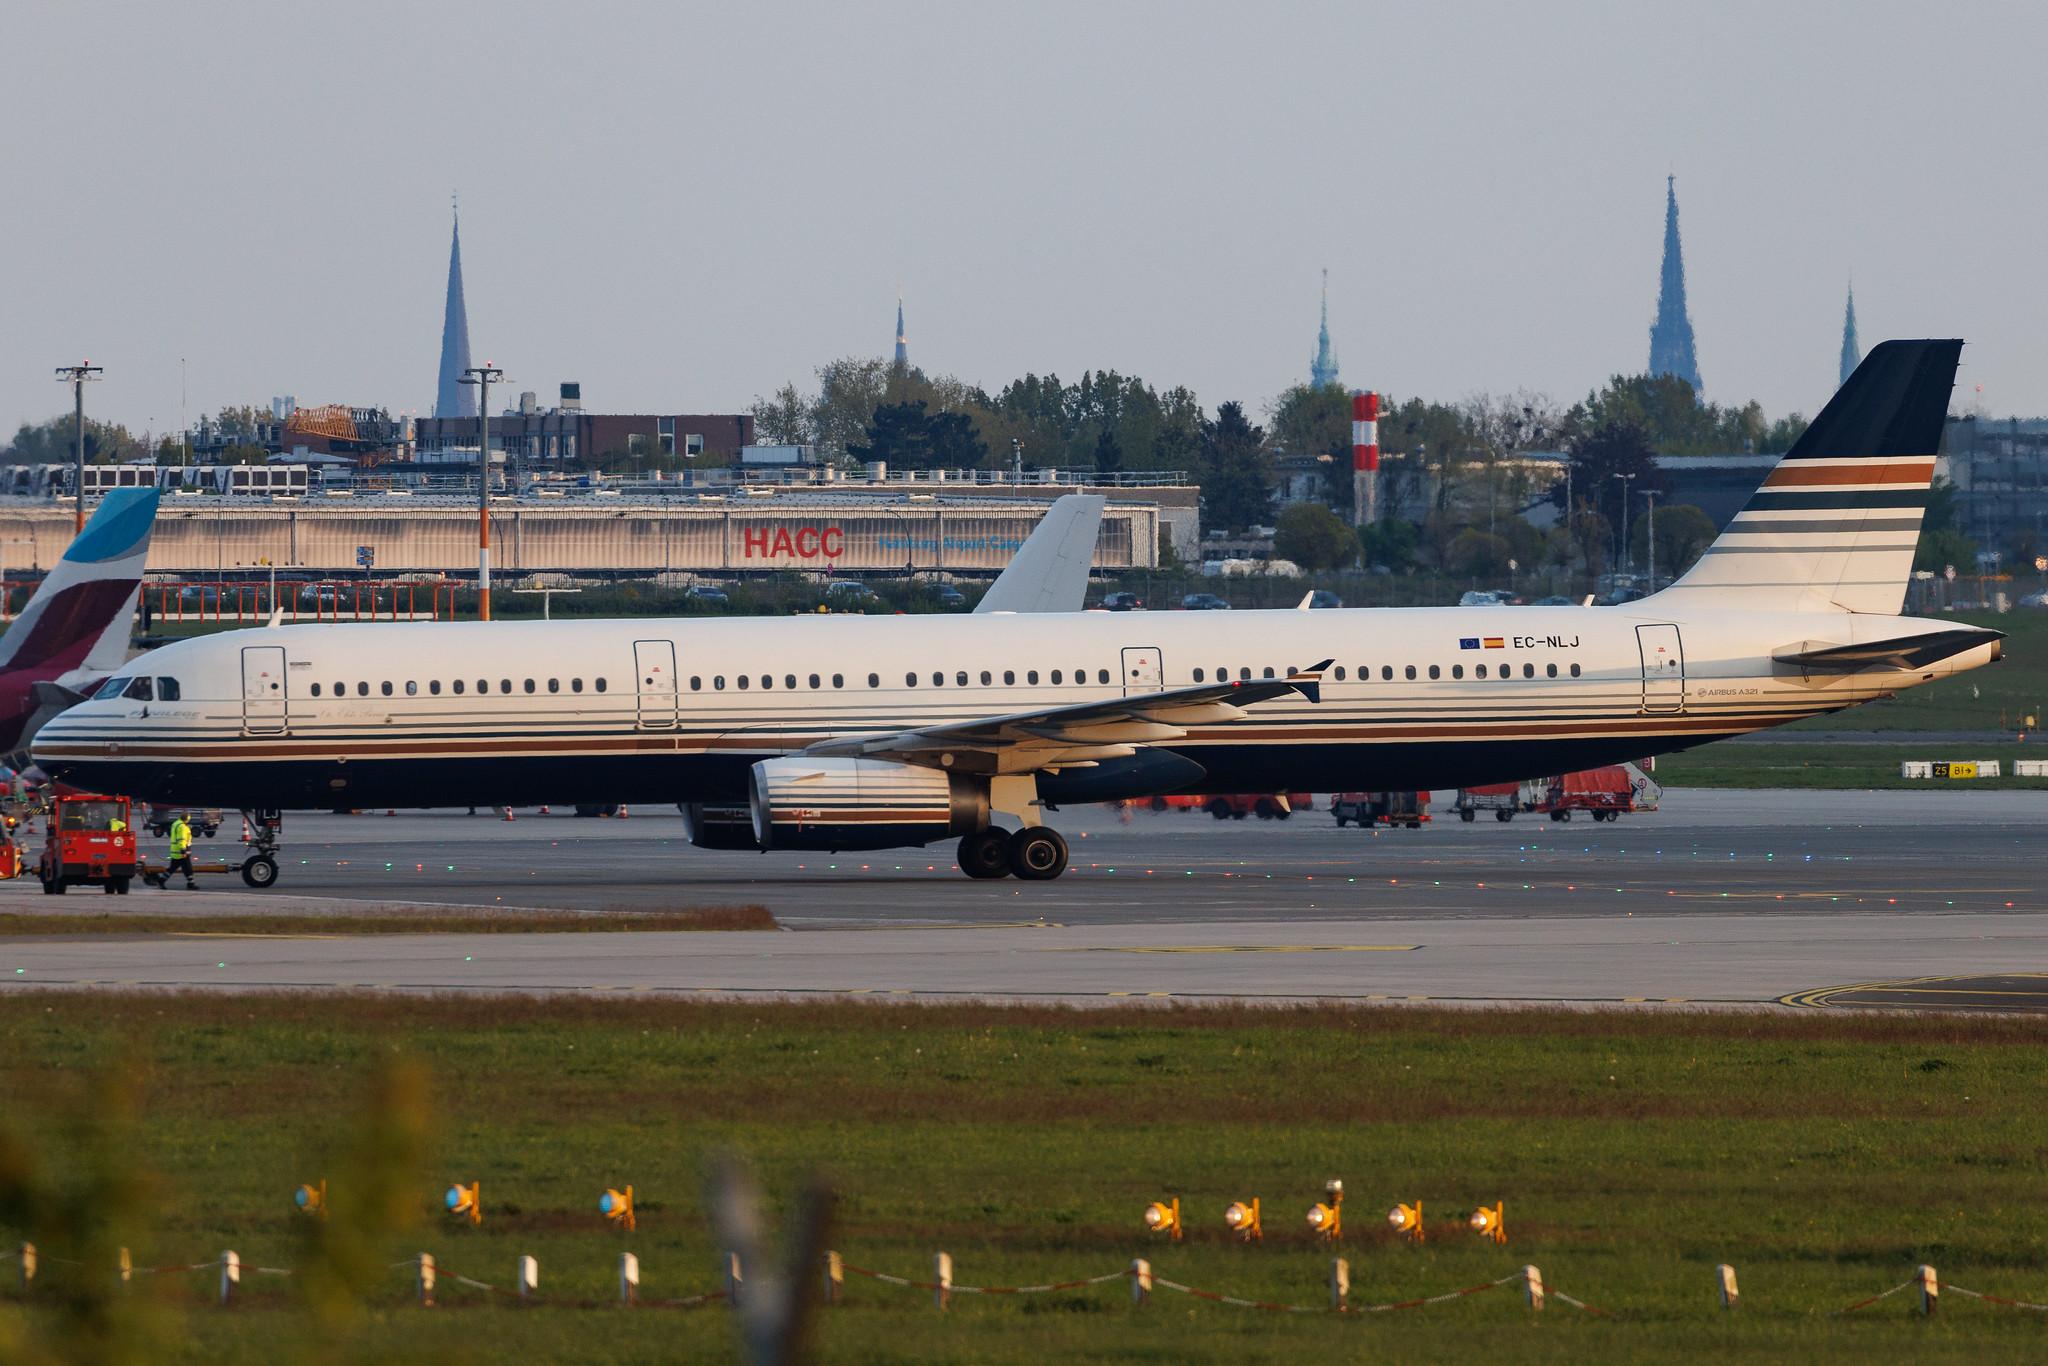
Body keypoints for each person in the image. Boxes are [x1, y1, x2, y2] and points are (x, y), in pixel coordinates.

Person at [167, 813, 197, 890]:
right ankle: (191, 884)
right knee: (188, 868)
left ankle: (161, 881)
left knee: (173, 868)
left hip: (175, 851)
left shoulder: (176, 823)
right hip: (182, 851)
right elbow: (182, 839)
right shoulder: (182, 826)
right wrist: (183, 851)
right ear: (186, 819)